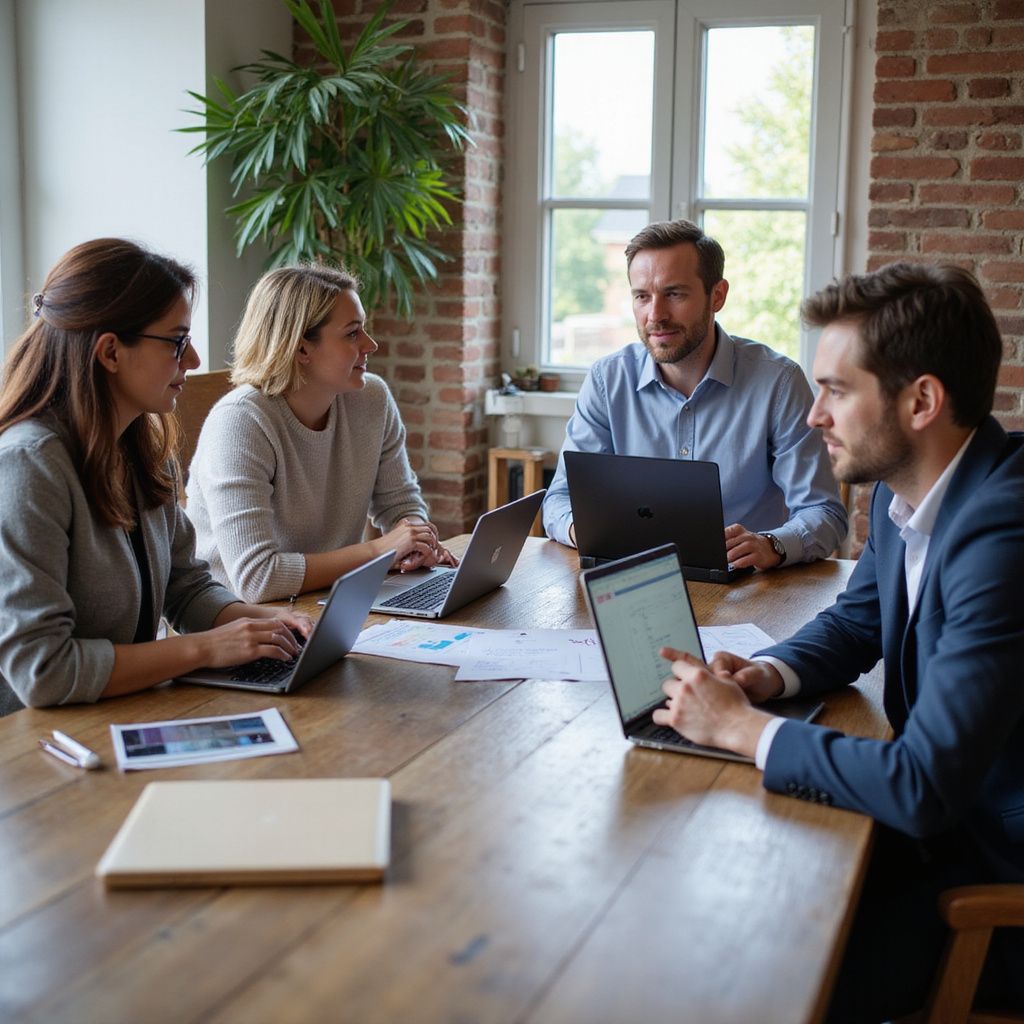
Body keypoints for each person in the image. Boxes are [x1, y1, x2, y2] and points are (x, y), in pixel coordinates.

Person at [655, 262, 1024, 1019]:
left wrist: (737, 728)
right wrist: (764, 675)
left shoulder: (1003, 532)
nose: (815, 415)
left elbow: (922, 786)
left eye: (837, 390)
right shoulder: (915, 486)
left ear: (922, 400)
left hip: (991, 888)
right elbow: (859, 622)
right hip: (944, 836)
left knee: (732, 974)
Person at [0, 238, 312, 712]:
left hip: (125, 711)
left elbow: (184, 588)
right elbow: (44, 671)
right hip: (40, 748)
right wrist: (207, 649)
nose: (194, 360)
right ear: (110, 352)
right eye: (177, 341)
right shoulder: (29, 465)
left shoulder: (143, 445)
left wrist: (261, 622)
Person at [542, 219, 847, 569]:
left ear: (717, 295)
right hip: (635, 582)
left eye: (674, 294)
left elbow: (823, 513)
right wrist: (584, 530)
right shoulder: (606, 381)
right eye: (642, 296)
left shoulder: (778, 383)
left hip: (748, 591)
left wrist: (772, 544)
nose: (655, 315)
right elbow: (560, 499)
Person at [186, 264, 455, 604]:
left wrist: (415, 541)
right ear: (301, 349)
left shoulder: (372, 398)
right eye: (353, 333)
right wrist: (381, 550)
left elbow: (399, 502)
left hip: (331, 600)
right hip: (240, 622)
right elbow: (256, 578)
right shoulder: (241, 423)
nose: (371, 344)